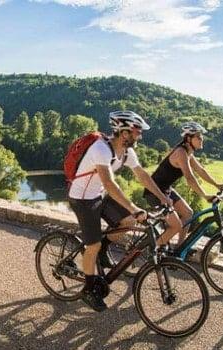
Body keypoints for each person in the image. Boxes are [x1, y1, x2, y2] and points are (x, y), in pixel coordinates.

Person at [67, 111, 174, 312]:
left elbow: (142, 175)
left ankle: (103, 250)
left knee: (128, 221)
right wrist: (134, 208)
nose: (139, 136)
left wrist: (163, 198)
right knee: (93, 245)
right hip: (82, 198)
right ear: (123, 132)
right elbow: (109, 183)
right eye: (136, 131)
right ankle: (89, 290)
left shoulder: (126, 152)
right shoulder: (101, 149)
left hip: (98, 195)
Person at [144, 121, 223, 248]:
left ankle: (179, 249)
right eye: (198, 137)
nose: (202, 139)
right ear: (188, 138)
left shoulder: (188, 153)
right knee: (176, 225)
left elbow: (201, 171)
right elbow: (190, 178)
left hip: (166, 189)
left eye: (201, 136)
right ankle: (150, 251)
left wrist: (217, 184)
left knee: (188, 213)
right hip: (154, 192)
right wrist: (204, 196)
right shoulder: (181, 153)